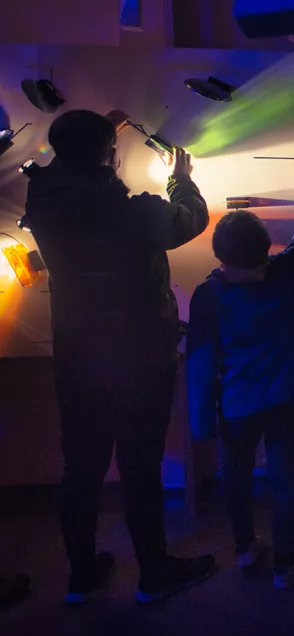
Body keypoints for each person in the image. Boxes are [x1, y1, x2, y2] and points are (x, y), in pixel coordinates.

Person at [22, 109, 216, 606]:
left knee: (81, 468)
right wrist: (182, 181)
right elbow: (189, 218)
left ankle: (81, 576)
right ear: (110, 155)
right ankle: (154, 573)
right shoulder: (134, 214)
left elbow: (62, 169)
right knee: (139, 467)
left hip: (77, 356)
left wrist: (100, 137)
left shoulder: (42, 198)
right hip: (139, 357)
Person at [186, 159, 294, 590]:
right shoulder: (284, 271)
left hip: (238, 405)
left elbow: (202, 362)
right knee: (286, 481)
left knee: (236, 478)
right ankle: (284, 565)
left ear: (219, 253)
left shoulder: (207, 296)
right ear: (265, 248)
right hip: (285, 399)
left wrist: (201, 423)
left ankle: (245, 550)